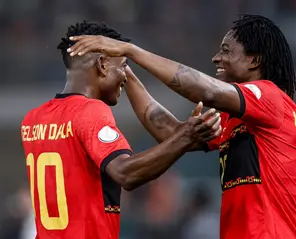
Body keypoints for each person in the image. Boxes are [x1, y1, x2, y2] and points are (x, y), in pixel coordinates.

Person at [68, 14, 296, 239]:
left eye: (226, 50)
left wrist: (132, 50)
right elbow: (170, 132)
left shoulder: (272, 98)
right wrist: (123, 68)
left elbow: (207, 91)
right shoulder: (236, 119)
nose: (216, 58)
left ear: (255, 60)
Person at [20, 21, 222, 239]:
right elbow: (126, 173)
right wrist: (185, 137)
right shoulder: (90, 111)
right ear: (102, 65)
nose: (125, 76)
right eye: (123, 66)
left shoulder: (33, 119)